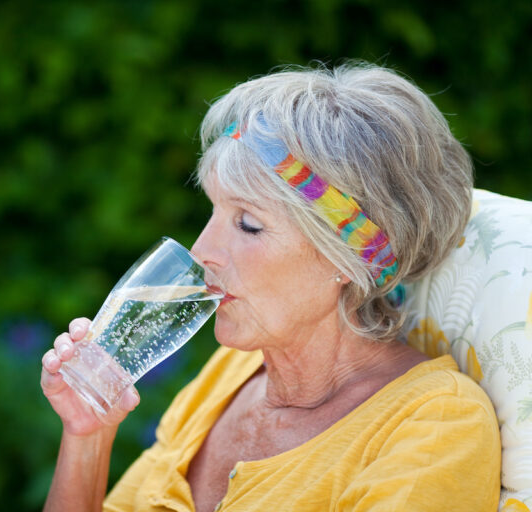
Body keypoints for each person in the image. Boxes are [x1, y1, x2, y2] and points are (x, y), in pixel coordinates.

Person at [40, 63, 501, 511]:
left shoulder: (434, 425)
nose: (202, 253)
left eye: (248, 224)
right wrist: (88, 437)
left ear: (348, 256)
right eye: (213, 212)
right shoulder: (229, 375)